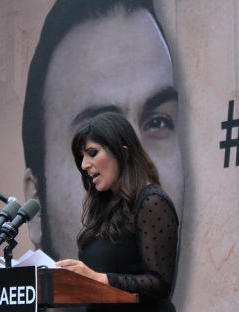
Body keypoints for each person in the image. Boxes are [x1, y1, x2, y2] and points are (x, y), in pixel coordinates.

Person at [22, 0, 184, 263]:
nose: (134, 158)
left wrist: (100, 279)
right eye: (99, 140)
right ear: (37, 203)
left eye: (157, 122)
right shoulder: (96, 220)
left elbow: (157, 285)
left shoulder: (155, 203)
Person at [55, 112, 179, 312]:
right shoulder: (104, 209)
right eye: (82, 156)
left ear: (123, 153)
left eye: (92, 153)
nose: (84, 164)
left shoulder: (151, 202)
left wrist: (98, 278)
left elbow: (160, 283)